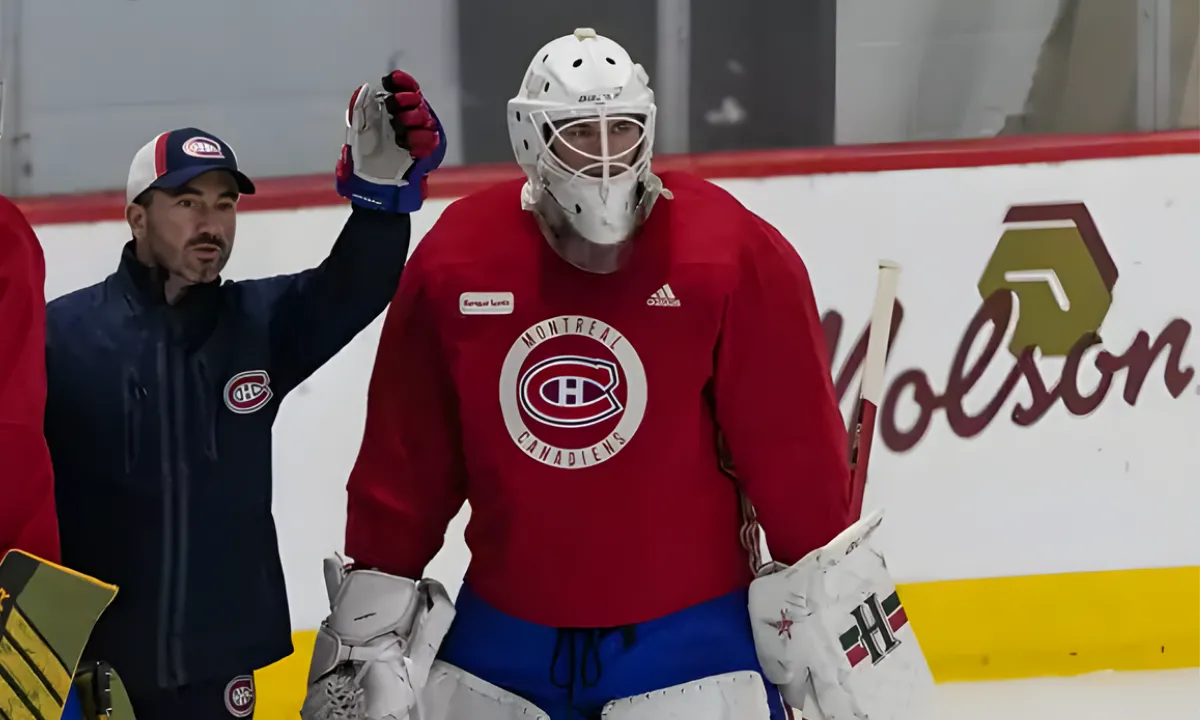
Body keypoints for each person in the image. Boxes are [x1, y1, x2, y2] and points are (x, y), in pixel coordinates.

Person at [303, 29, 851, 720]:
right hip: (504, 648)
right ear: (530, 137)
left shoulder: (731, 252)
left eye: (620, 131)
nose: (603, 156)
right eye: (575, 134)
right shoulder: (459, 259)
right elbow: (406, 460)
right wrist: (367, 629)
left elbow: (796, 455)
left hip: (690, 645)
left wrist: (827, 603)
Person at [44, 70, 446, 719]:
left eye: (225, 203)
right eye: (188, 202)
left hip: (217, 671)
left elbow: (356, 285)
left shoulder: (257, 325)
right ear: (137, 217)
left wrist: (381, 192)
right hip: (91, 667)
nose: (212, 221)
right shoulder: (61, 337)